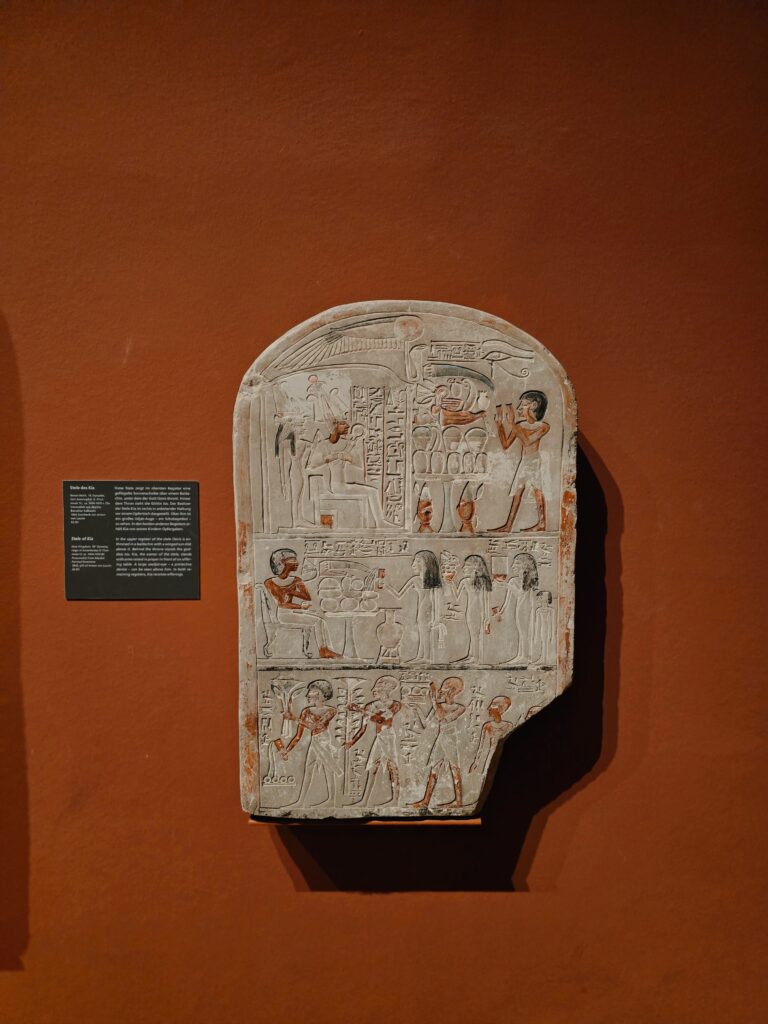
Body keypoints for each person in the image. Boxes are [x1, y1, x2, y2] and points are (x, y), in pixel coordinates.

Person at [489, 390, 550, 533]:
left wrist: (513, 425)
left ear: (533, 406)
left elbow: (528, 441)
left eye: (522, 405)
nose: (518, 408)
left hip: (534, 461)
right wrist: (500, 426)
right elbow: (505, 444)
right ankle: (509, 526)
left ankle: (541, 523)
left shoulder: (543, 426)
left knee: (537, 490)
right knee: (518, 493)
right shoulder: (520, 426)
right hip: (525, 461)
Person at [264, 548, 340, 659]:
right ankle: (323, 651)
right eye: (293, 560)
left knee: (321, 620)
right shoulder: (270, 582)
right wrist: (300, 606)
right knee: (318, 621)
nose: (297, 563)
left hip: (293, 612)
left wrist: (292, 592)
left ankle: (326, 649)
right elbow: (282, 604)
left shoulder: (296, 580)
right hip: (283, 615)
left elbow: (307, 597)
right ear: (282, 562)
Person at [279, 680, 342, 807]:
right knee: (308, 771)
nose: (307, 695)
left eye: (311, 692)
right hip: (314, 743)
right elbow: (298, 736)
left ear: (319, 694)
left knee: (329, 770)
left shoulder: (331, 710)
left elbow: (316, 726)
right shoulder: (306, 711)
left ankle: (332, 801)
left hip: (324, 743)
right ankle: (301, 802)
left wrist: (293, 718)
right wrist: (287, 750)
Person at [410, 676, 467, 809]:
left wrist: (434, 701)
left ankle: (459, 801)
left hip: (450, 740)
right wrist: (417, 709)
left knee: (454, 768)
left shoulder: (460, 707)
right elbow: (426, 724)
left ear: (452, 691)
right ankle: (426, 801)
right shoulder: (439, 705)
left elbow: (444, 718)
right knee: (434, 769)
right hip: (441, 739)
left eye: (445, 686)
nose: (441, 689)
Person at [344, 676, 402, 806]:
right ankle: (365, 801)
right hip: (379, 737)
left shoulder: (395, 704)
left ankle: (395, 801)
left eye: (377, 687)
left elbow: (382, 719)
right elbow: (362, 728)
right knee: (372, 768)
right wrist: (352, 741)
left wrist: (359, 710)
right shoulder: (370, 706)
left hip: (389, 737)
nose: (373, 690)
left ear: (387, 689)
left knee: (393, 767)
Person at [390, 550, 443, 663]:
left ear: (426, 564)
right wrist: (385, 585)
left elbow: (436, 601)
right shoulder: (415, 580)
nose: (413, 564)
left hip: (428, 612)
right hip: (422, 611)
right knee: (422, 633)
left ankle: (426, 658)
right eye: (414, 561)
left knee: (425, 634)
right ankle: (420, 657)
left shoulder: (433, 582)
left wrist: (437, 618)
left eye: (417, 561)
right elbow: (399, 595)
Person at [455, 554, 492, 664]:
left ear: (475, 567)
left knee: (476, 635)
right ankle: (471, 655)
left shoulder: (482, 582)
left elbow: (486, 600)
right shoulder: (464, 581)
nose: (463, 568)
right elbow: (456, 597)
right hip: (470, 612)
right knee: (472, 634)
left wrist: (487, 617)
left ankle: (475, 657)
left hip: (478, 612)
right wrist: (450, 582)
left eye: (466, 565)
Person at [469, 695, 515, 776]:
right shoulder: (487, 725)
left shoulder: (509, 725)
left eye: (492, 706)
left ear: (499, 709)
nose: (488, 708)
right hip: (492, 754)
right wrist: (476, 762)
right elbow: (481, 747)